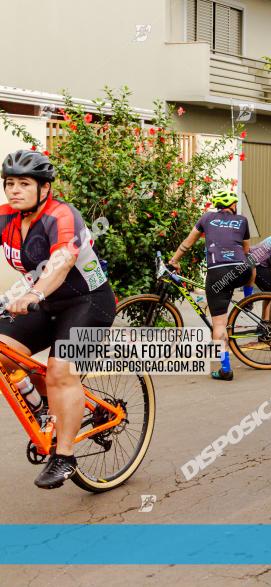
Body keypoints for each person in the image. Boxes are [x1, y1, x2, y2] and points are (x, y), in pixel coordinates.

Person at [0, 150, 115, 489]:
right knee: (4, 351)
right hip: (46, 304)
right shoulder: (7, 218)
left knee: (61, 371)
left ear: (45, 188)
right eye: (10, 183)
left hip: (89, 302)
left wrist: (34, 294)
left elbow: (62, 261)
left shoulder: (62, 215)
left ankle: (64, 456)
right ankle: (42, 405)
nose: (14, 190)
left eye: (24, 183)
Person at [169, 189, 251, 381]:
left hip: (219, 271)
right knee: (225, 300)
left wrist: (174, 261)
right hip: (241, 270)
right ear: (232, 206)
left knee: (219, 323)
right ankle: (248, 299)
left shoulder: (206, 218)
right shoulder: (242, 220)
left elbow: (187, 243)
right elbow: (246, 250)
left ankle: (225, 369)